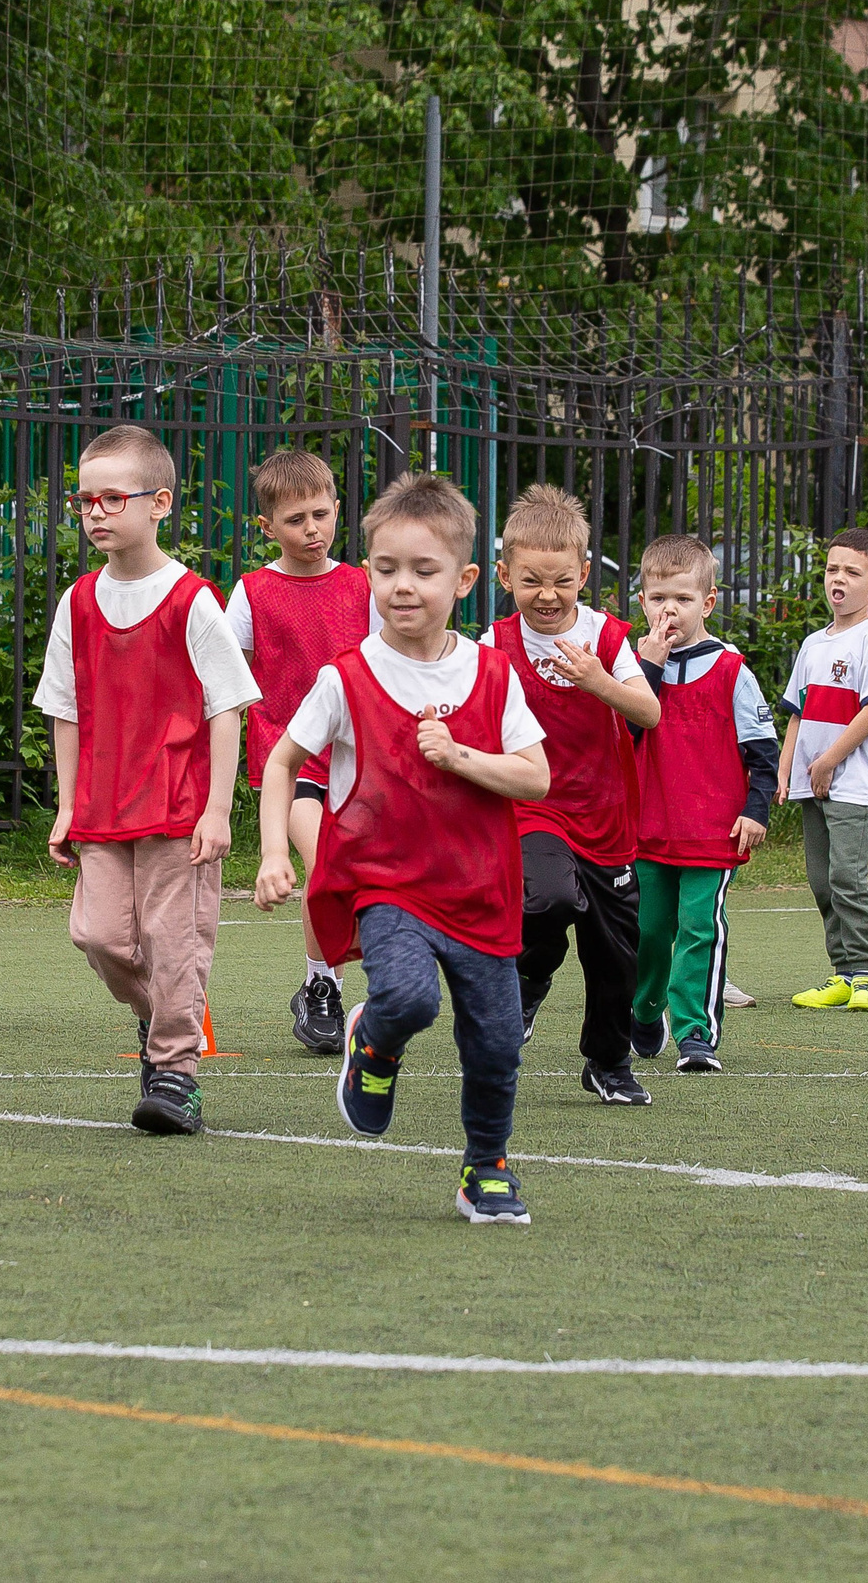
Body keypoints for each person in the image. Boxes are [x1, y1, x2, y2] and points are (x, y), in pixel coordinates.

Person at [253, 472, 550, 1223]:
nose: (403, 586)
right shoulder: (346, 677)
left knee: (496, 1044)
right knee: (409, 997)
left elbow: (535, 777)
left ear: (467, 578)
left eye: (424, 571)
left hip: (481, 891)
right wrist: (272, 852)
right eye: (385, 569)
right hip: (389, 886)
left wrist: (460, 759)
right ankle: (376, 1045)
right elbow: (284, 761)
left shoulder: (491, 672)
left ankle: (486, 1165)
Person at [37, 425, 260, 1135]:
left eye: (111, 497)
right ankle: (161, 1021)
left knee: (174, 942)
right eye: (84, 500)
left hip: (177, 809)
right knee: (100, 936)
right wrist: (68, 803)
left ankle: (175, 1073)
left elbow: (227, 707)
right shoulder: (76, 603)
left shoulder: (193, 600)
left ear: (158, 502)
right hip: (103, 808)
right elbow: (65, 710)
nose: (95, 512)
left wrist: (218, 809)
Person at [482, 483, 661, 1105]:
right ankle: (529, 978)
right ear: (504, 575)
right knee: (549, 898)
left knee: (617, 957)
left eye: (561, 580)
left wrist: (597, 680)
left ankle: (608, 1063)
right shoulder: (494, 645)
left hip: (607, 820)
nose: (548, 596)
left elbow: (650, 713)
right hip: (533, 807)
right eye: (531, 581)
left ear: (585, 573)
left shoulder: (607, 638)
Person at [227, 448, 375, 1055]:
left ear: (338, 510)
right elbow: (223, 677)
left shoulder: (365, 585)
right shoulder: (253, 592)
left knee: (365, 878)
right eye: (295, 520)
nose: (311, 529)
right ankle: (324, 989)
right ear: (267, 528)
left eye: (321, 514)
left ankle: (330, 978)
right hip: (288, 764)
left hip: (361, 762)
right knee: (328, 863)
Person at [629, 534, 777, 1071]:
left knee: (699, 928)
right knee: (647, 930)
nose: (670, 609)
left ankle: (695, 1034)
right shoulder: (631, 664)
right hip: (646, 829)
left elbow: (763, 751)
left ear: (707, 603)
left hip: (713, 833)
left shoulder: (733, 671)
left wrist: (754, 811)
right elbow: (624, 731)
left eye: (683, 599)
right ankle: (645, 1011)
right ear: (642, 601)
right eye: (659, 597)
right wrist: (647, 665)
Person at [775, 528, 868, 1011]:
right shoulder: (812, 644)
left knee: (848, 876)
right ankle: (842, 973)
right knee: (822, 880)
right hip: (813, 783)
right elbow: (797, 714)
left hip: (851, 781)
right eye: (832, 570)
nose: (838, 580)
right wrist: (788, 771)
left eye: (852, 571)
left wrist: (828, 761)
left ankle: (866, 974)